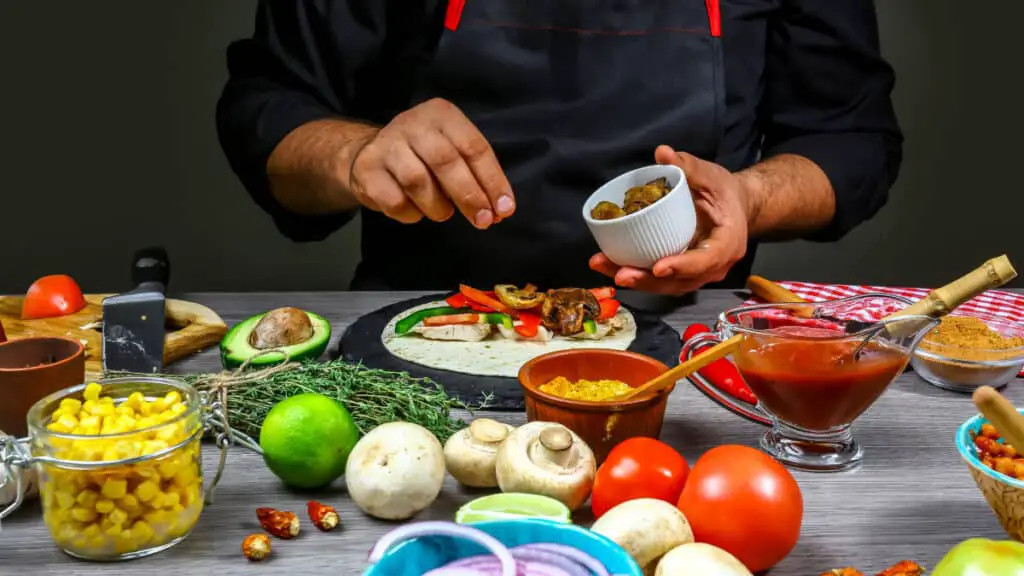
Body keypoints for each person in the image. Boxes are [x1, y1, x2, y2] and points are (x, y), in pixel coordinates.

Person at [216, 1, 901, 295]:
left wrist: (749, 198)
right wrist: (355, 156)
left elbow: (849, 137)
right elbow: (268, 105)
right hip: (427, 326)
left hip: (688, 354)